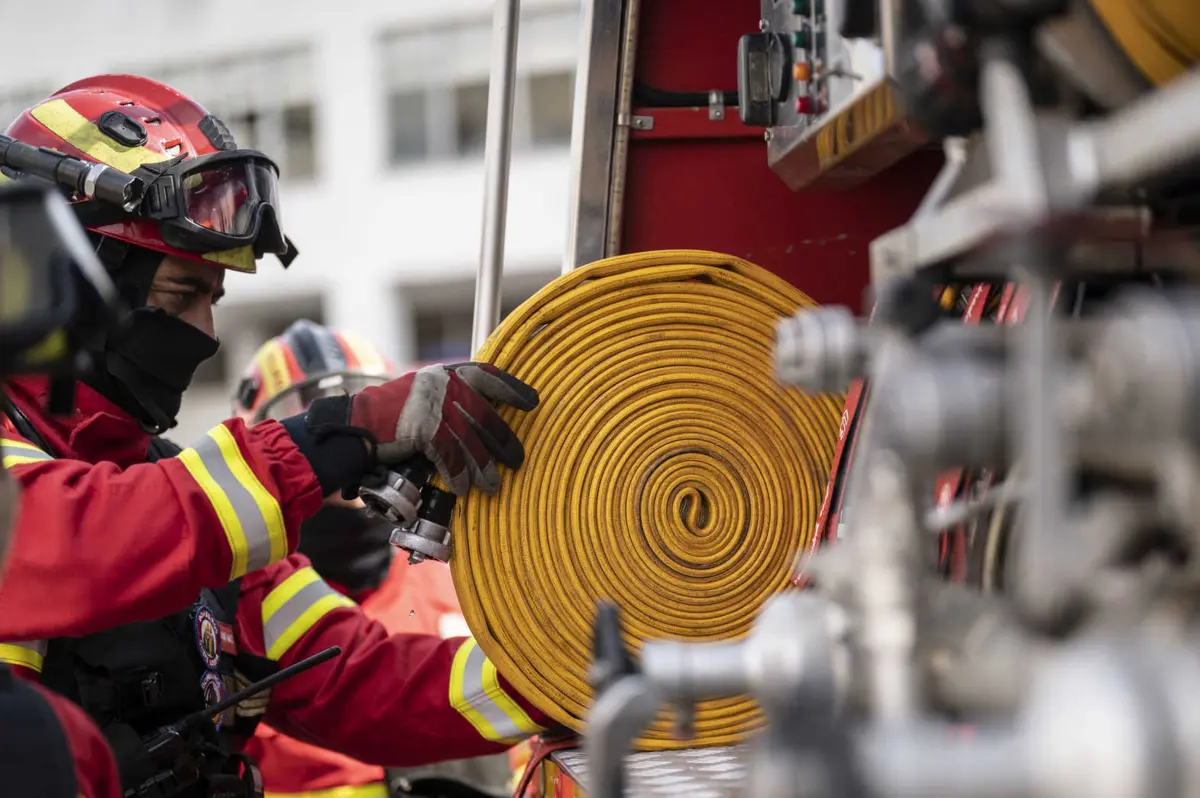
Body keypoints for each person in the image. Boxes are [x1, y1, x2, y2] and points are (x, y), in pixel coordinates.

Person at [0, 74, 550, 798]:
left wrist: (562, 674)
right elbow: (76, 537)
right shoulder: (111, 500)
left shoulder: (182, 503)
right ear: (73, 277)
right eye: (180, 294)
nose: (205, 331)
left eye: (215, 299)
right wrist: (340, 433)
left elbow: (363, 679)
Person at [232, 320, 512, 798]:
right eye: (315, 431)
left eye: (367, 420)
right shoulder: (240, 606)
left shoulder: (462, 570)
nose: (347, 453)